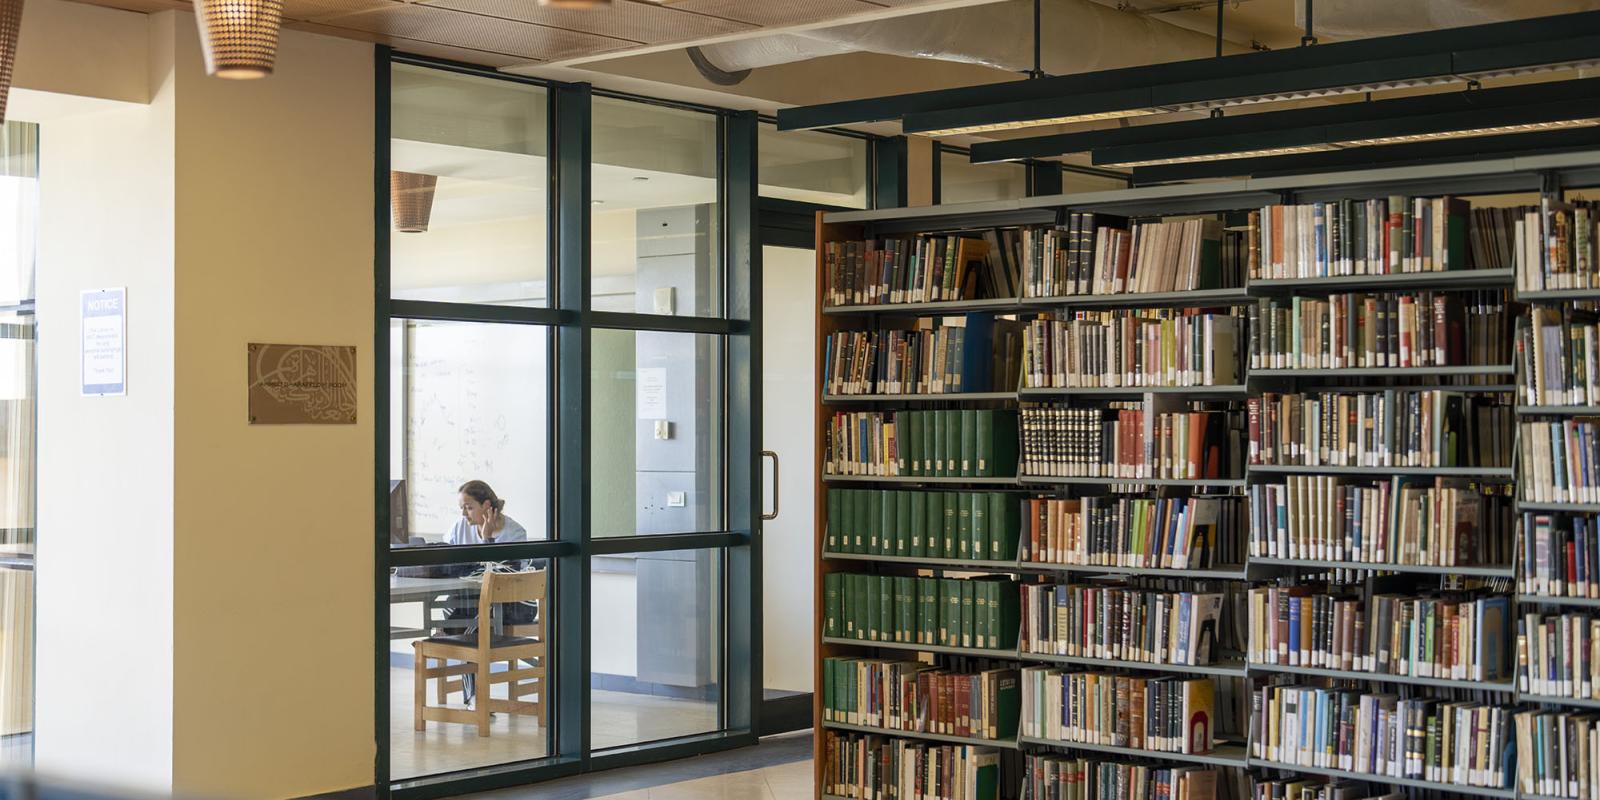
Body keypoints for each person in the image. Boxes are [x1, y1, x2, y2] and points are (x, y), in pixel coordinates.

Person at [436, 480, 545, 704]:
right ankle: (450, 634)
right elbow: (444, 559)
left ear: (487, 506)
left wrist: (487, 540)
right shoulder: (460, 527)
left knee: (471, 628)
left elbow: (502, 577)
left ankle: (448, 636)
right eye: (461, 508)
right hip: (477, 603)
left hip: (514, 605)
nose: (464, 514)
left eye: (468, 507)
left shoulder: (514, 532)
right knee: (468, 615)